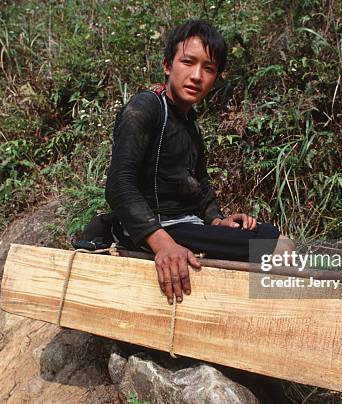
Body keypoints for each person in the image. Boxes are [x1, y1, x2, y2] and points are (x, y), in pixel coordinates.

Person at [105, 20, 280, 305]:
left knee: (271, 236)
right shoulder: (145, 108)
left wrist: (218, 220)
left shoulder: (190, 124)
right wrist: (163, 245)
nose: (197, 75)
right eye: (188, 62)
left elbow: (199, 187)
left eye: (208, 68)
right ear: (167, 65)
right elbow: (119, 185)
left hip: (187, 224)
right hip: (155, 227)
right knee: (276, 247)